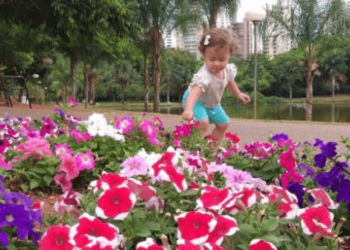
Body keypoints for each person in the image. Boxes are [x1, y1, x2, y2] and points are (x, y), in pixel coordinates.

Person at [182, 27, 250, 141]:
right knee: (202, 124)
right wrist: (188, 109)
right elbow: (194, 92)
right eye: (212, 59)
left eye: (222, 59)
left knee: (223, 124)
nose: (217, 64)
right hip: (195, 101)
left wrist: (238, 94)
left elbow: (230, 81)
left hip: (212, 104)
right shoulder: (204, 75)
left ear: (230, 55)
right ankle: (198, 150)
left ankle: (213, 149)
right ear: (204, 55)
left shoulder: (228, 70)